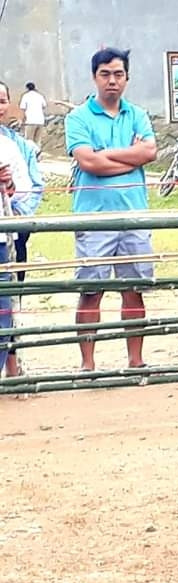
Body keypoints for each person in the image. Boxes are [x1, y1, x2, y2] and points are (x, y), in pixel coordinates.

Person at [65, 48, 157, 372]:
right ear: (94, 77)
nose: (112, 81)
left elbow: (149, 152)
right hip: (95, 217)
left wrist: (109, 157)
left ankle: (136, 360)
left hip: (134, 215)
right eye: (105, 74)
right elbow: (88, 161)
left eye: (118, 74)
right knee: (91, 291)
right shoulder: (77, 117)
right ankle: (87, 364)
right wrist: (128, 156)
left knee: (135, 291)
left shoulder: (138, 114)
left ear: (127, 78)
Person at [0, 82, 44, 378]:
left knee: (7, 307)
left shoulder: (17, 145)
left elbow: (30, 188)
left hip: (6, 237)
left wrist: (13, 194)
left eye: (2, 100)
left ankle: (13, 368)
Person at [0, 81, 44, 284]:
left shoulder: (18, 146)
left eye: (2, 101)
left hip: (12, 229)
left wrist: (20, 214)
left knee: (10, 293)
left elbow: (34, 186)